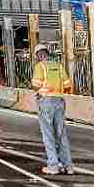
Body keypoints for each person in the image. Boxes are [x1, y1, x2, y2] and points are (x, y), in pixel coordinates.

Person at [31, 45, 74, 175]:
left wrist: (42, 91)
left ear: (39, 55)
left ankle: (53, 165)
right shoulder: (59, 66)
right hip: (60, 102)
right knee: (61, 134)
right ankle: (68, 166)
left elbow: (35, 86)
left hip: (46, 103)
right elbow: (67, 86)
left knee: (48, 135)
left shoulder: (40, 67)